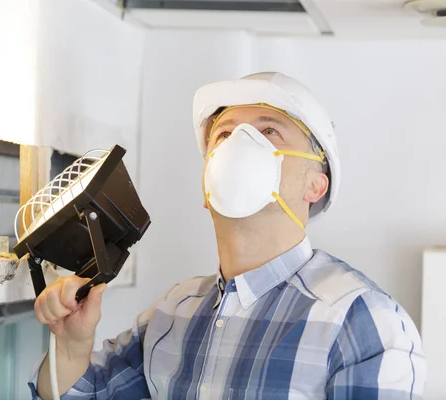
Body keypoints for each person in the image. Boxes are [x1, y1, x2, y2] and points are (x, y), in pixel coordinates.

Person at [29, 72, 426, 399]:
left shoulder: (360, 321)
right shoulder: (174, 312)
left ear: (315, 186)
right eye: (224, 135)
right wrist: (71, 345)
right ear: (209, 184)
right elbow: (85, 394)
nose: (240, 146)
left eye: (269, 131)